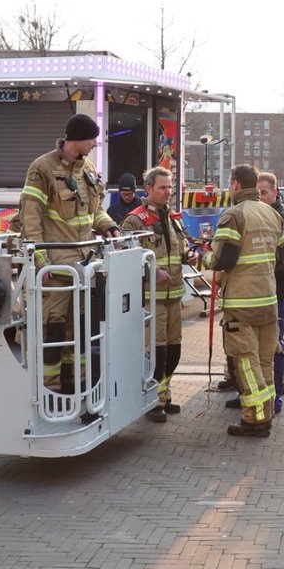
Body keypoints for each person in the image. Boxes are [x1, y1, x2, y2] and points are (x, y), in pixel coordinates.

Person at [19, 113, 120, 409]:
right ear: (79, 138)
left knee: (80, 333)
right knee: (53, 332)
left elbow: (94, 211)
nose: (94, 144)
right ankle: (50, 396)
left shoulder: (87, 168)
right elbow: (30, 216)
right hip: (56, 270)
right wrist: (40, 259)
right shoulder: (42, 168)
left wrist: (109, 226)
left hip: (83, 269)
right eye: (92, 139)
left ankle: (76, 388)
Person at [204, 164, 284, 438]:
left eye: (230, 183)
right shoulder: (273, 215)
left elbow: (224, 258)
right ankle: (267, 413)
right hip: (268, 301)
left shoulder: (234, 215)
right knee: (265, 361)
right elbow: (281, 257)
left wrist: (205, 258)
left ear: (237, 184)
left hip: (241, 302)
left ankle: (254, 419)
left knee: (245, 362)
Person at [121, 167, 193, 423]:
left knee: (174, 350)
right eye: (163, 187)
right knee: (156, 352)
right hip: (151, 299)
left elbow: (177, 251)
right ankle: (152, 402)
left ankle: (164, 395)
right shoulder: (135, 220)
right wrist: (151, 271)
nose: (168, 192)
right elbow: (126, 259)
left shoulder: (172, 218)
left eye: (170, 187)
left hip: (174, 297)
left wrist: (189, 255)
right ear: (148, 189)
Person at [253, 172, 284, 415]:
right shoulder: (255, 218)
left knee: (274, 346)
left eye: (264, 192)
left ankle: (274, 398)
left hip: (278, 295)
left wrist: (266, 270)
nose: (260, 197)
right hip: (257, 294)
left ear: (275, 192)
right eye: (257, 193)